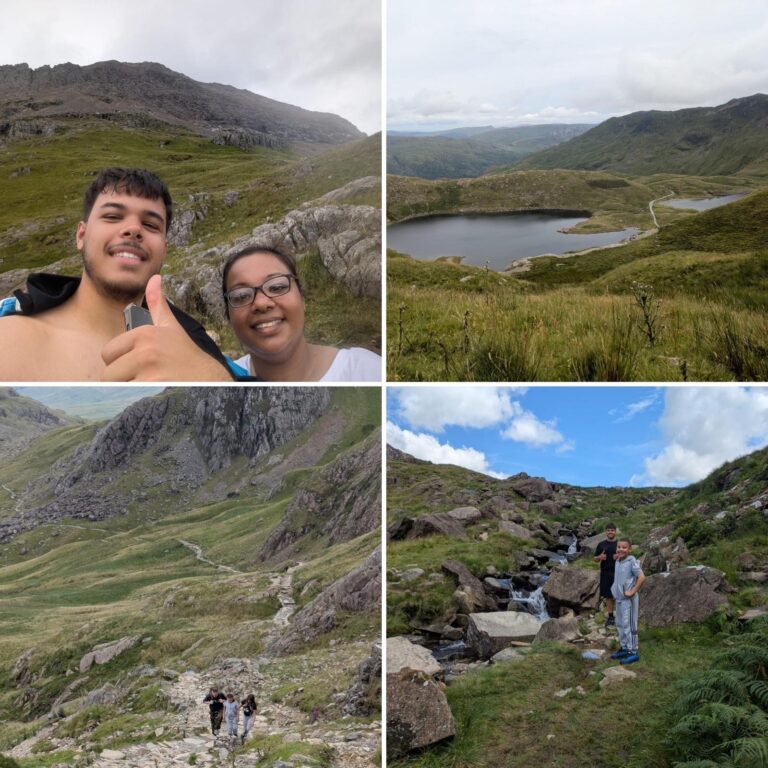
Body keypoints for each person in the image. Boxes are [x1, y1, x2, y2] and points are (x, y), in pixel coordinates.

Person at [0, 167, 241, 382]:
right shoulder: (10, 340)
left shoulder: (197, 347)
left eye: (151, 225)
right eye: (113, 216)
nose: (134, 229)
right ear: (81, 236)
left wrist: (210, 375)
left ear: (164, 249)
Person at [221, 245, 381, 381]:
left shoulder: (366, 370)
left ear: (302, 298)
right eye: (241, 296)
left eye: (277, 287)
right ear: (228, 316)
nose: (261, 303)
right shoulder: (223, 378)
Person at [610, 538, 646, 665]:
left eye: (624, 547)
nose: (621, 549)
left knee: (629, 625)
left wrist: (633, 591)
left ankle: (633, 651)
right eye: (619, 547)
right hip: (619, 599)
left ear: (629, 549)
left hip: (629, 600)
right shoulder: (618, 561)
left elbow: (641, 577)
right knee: (620, 624)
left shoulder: (632, 562)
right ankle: (625, 648)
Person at [594, 523, 619, 627]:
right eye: (608, 530)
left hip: (618, 573)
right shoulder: (601, 545)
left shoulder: (619, 544)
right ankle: (611, 617)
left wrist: (619, 557)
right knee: (609, 596)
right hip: (605, 573)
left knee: (619, 595)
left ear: (615, 532)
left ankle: (622, 615)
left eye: (612, 530)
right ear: (606, 532)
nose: (610, 532)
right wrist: (600, 557)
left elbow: (626, 555)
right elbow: (595, 559)